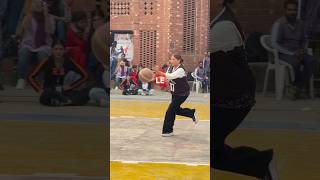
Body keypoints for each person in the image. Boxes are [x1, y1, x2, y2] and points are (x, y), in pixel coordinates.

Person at [209, 0, 278, 179]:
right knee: (211, 150)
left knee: (207, 148)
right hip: (227, 96)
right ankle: (262, 164)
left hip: (232, 100)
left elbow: (207, 62)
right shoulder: (218, 20)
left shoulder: (222, 27)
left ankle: (261, 163)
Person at [271, 0, 318, 99]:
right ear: (285, 10)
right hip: (284, 53)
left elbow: (305, 40)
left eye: (295, 10)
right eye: (290, 10)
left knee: (312, 61)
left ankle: (295, 87)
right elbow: (274, 43)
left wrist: (303, 49)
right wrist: (292, 53)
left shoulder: (301, 24)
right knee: (296, 62)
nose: (293, 12)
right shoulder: (279, 24)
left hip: (299, 52)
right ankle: (298, 89)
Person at [28, 39, 89, 106]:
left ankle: (62, 101)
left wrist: (72, 86)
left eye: (61, 49)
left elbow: (85, 75)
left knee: (86, 92)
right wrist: (39, 90)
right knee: (46, 95)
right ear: (52, 50)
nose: (58, 52)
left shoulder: (69, 61)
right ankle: (66, 101)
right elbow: (30, 77)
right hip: (49, 91)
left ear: (64, 50)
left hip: (64, 91)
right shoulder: (46, 61)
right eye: (56, 49)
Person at [15, 0, 56, 89]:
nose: (38, 6)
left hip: (44, 45)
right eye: (36, 4)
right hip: (28, 44)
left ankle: (41, 80)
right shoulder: (29, 16)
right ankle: (21, 79)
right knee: (23, 54)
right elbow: (24, 27)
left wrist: (46, 15)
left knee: (43, 55)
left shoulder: (50, 17)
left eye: (41, 4)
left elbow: (50, 31)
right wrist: (29, 13)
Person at [155, 55, 197, 137]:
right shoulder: (170, 68)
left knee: (170, 111)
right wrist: (154, 78)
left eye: (173, 59)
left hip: (182, 93)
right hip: (175, 93)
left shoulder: (181, 69)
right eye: (170, 59)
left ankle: (167, 131)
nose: (171, 60)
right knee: (175, 110)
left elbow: (171, 76)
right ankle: (191, 113)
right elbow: (167, 78)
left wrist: (158, 72)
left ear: (179, 61)